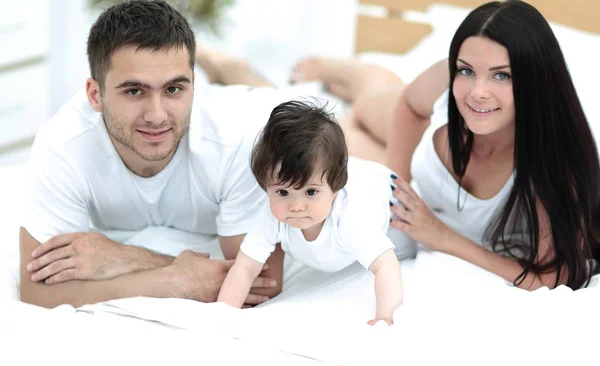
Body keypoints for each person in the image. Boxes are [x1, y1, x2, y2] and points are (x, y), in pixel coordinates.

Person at [201, 0, 600, 290]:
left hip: (428, 197)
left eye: (502, 76)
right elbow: (411, 104)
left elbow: (551, 276)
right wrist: (396, 180)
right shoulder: (458, 79)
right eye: (466, 71)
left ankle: (246, 74)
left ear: (536, 79)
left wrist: (441, 236)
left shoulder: (555, 171)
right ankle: (341, 69)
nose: (478, 91)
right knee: (376, 100)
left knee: (329, 137)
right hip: (418, 149)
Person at [19, 0, 285, 308]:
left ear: (194, 86)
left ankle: (243, 68)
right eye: (134, 91)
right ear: (95, 95)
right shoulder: (62, 146)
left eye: (173, 89)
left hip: (268, 107)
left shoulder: (239, 141)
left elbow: (264, 282)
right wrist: (171, 278)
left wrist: (121, 256)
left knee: (343, 130)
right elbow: (35, 290)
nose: (157, 116)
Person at [217, 100, 409, 325]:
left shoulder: (351, 218)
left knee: (406, 247)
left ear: (336, 188)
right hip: (335, 175)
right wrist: (221, 315)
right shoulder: (271, 214)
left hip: (389, 199)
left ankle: (358, 115)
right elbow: (244, 268)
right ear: (265, 187)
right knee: (319, 165)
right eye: (282, 192)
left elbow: (386, 266)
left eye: (310, 192)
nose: (296, 206)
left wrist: (384, 317)